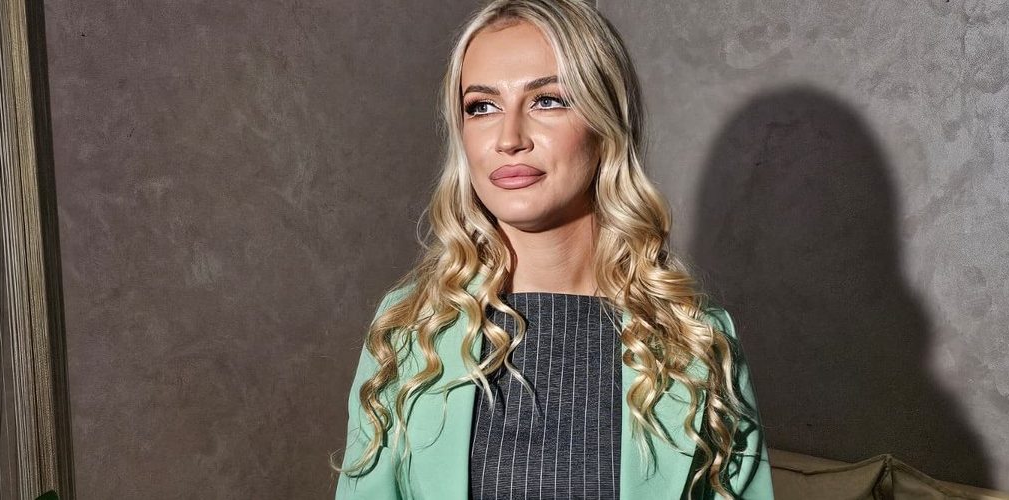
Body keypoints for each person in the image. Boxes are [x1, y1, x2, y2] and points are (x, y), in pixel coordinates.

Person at [330, 1, 773, 498]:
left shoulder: (698, 341)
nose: (509, 138)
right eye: (481, 106)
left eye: (547, 100)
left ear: (606, 123)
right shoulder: (408, 331)